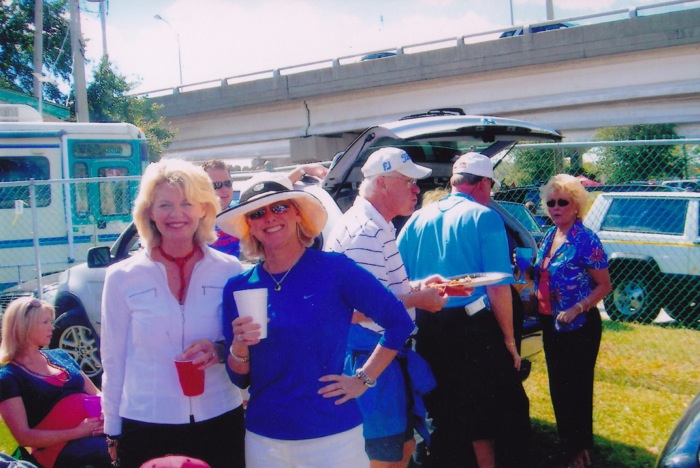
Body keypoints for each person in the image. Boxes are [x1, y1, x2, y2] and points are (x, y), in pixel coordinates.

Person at [216, 172, 415, 468]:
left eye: (279, 207)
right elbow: (239, 378)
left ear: (297, 213)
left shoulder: (335, 270)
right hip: (264, 440)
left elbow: (398, 321)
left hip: (332, 438)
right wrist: (240, 347)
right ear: (250, 226)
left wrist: (363, 378)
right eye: (258, 213)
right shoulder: (239, 286)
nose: (269, 218)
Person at [100, 159, 246, 468]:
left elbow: (241, 342)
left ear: (204, 208)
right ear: (149, 212)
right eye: (164, 204)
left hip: (219, 417)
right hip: (146, 422)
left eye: (187, 203)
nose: (176, 214)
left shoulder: (230, 270)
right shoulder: (121, 277)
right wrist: (112, 429)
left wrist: (219, 350)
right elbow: (112, 359)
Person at [397, 152, 530, 468]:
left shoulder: (418, 217)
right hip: (472, 329)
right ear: (484, 183)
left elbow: (398, 276)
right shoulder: (484, 217)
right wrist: (510, 342)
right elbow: (498, 286)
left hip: (428, 325)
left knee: (444, 411)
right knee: (497, 413)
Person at [325, 147, 448, 467]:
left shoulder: (375, 224)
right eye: (408, 181)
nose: (416, 189)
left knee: (402, 449)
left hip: (381, 361)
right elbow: (355, 310)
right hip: (370, 363)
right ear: (382, 184)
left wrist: (416, 287)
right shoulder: (364, 231)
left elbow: (378, 294)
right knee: (383, 459)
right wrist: (418, 299)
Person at [534, 174, 611, 468]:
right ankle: (571, 446)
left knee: (576, 389)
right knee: (559, 388)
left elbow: (604, 285)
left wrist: (578, 308)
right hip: (552, 324)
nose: (555, 208)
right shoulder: (549, 236)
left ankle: (577, 451)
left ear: (576, 205)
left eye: (562, 202)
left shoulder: (586, 239)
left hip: (579, 327)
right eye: (551, 203)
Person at [0, 297, 111, 468]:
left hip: (93, 434)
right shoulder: (9, 377)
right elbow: (24, 436)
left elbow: (96, 393)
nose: (52, 327)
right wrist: (78, 432)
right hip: (57, 450)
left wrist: (105, 413)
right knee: (107, 451)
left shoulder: (61, 356)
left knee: (138, 436)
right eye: (45, 322)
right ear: (24, 326)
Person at [202, 160, 329, 258]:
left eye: (227, 183)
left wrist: (303, 169)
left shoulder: (241, 211)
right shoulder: (193, 222)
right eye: (216, 185)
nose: (224, 189)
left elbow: (273, 191)